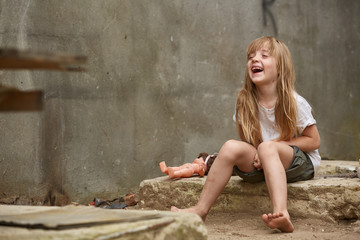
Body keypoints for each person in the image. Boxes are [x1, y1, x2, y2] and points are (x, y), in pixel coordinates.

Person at [171, 36, 321, 233]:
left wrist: (273, 146)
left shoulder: (294, 102)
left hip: (299, 163)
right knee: (231, 146)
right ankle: (200, 210)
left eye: (264, 55)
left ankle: (282, 213)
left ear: (280, 69)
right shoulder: (245, 102)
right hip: (265, 161)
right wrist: (259, 154)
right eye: (251, 57)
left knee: (267, 147)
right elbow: (249, 142)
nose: (254, 59)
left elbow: (314, 141)